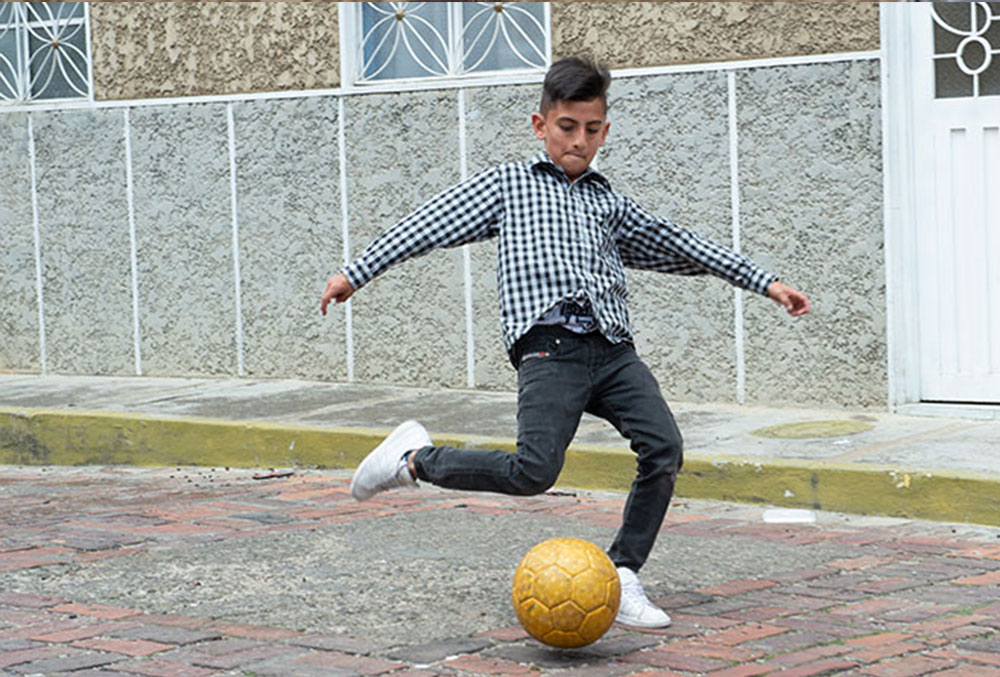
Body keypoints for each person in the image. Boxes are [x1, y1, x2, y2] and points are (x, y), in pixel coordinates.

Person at [320, 56, 810, 629]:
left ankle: (623, 572)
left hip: (612, 350)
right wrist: (356, 272)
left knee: (663, 447)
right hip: (549, 346)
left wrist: (765, 283)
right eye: (567, 128)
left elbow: (683, 245)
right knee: (534, 472)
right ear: (540, 125)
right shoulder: (509, 185)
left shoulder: (609, 203)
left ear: (605, 129)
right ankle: (412, 459)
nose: (580, 141)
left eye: (593, 129)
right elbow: (429, 222)